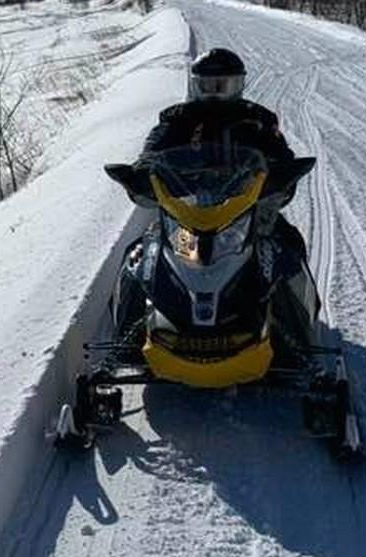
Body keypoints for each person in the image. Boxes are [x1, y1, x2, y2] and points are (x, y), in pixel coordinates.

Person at [128, 47, 322, 350]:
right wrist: (141, 175)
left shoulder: (258, 119)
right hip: (187, 211)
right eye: (208, 85)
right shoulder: (176, 120)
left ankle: (300, 335)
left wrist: (281, 177)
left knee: (287, 248)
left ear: (239, 84)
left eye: (225, 85)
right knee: (142, 257)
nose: (216, 93)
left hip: (248, 209)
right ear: (196, 84)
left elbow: (280, 153)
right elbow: (152, 152)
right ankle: (126, 337)